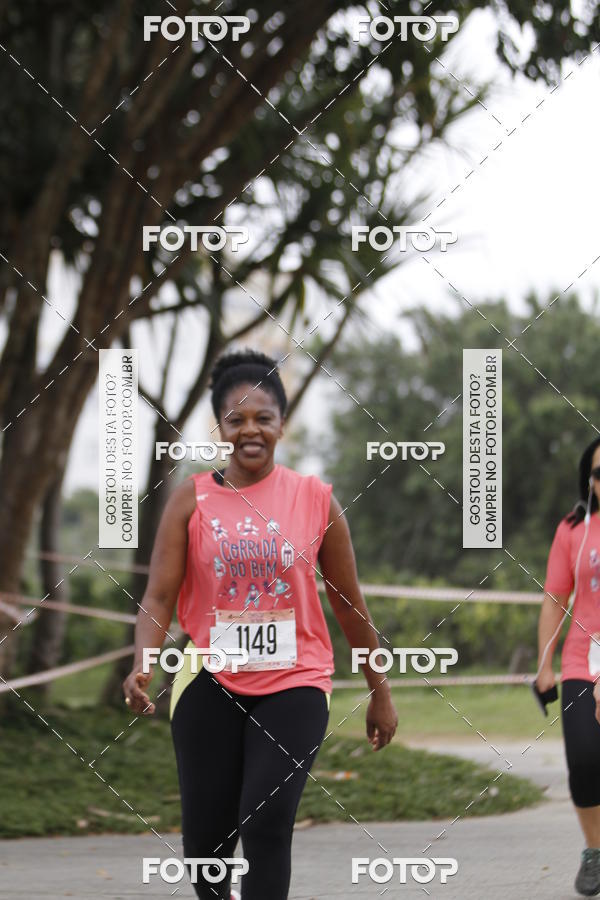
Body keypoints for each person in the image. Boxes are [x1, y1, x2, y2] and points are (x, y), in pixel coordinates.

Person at [123, 349, 398, 900]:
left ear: (281, 423)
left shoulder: (315, 500)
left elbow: (349, 606)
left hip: (296, 680)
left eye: (263, 417)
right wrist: (143, 661)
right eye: (236, 418)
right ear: (221, 427)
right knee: (206, 845)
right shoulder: (190, 500)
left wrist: (380, 691)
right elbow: (158, 594)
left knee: (266, 824)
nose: (250, 429)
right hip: (209, 679)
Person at [537, 436, 600, 897]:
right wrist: (545, 665)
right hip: (582, 658)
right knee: (583, 760)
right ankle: (595, 851)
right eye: (598, 473)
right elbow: (555, 598)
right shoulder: (574, 529)